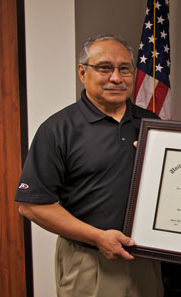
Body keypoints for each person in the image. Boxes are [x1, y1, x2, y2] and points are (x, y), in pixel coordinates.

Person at [15, 34, 163, 297]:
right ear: (83, 72)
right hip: (90, 260)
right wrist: (97, 237)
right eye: (105, 68)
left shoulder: (152, 124)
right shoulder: (58, 129)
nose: (116, 78)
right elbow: (32, 205)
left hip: (146, 259)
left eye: (124, 69)